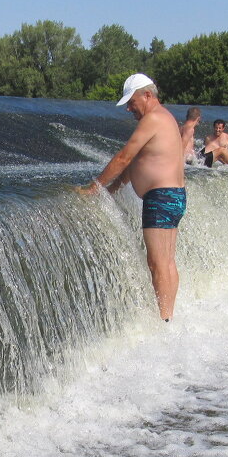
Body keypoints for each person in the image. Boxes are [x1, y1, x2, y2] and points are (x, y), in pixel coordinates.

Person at [82, 73, 186, 322]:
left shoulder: (153, 119)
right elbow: (137, 164)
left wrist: (94, 187)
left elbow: (123, 158)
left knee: (157, 264)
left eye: (131, 101)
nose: (129, 107)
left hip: (161, 199)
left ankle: (164, 321)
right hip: (173, 196)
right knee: (167, 262)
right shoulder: (165, 118)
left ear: (148, 95)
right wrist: (113, 188)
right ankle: (169, 317)